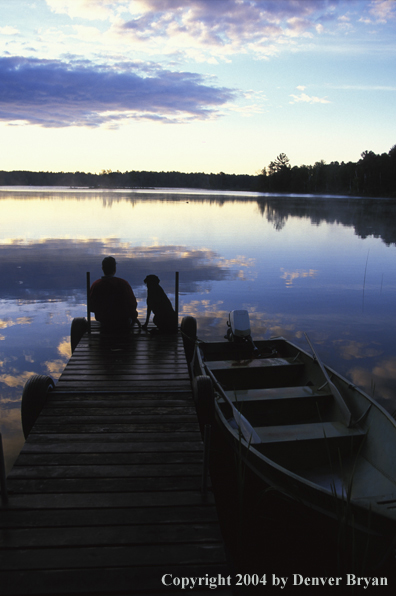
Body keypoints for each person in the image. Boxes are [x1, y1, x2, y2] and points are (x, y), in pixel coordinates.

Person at [89, 256, 139, 333]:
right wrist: (134, 316)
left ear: (102, 268)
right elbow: (132, 303)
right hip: (123, 321)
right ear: (114, 269)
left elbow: (91, 307)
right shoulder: (123, 283)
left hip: (104, 321)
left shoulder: (96, 285)